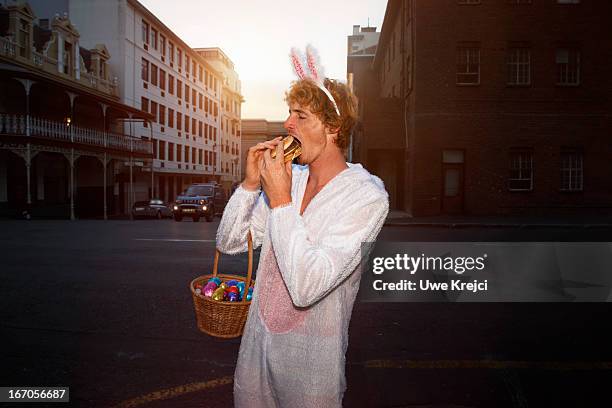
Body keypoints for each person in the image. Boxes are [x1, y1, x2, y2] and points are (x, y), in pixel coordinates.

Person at [216, 54, 389, 407]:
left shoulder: (367, 197)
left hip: (311, 372)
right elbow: (230, 242)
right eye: (289, 112)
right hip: (256, 357)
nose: (287, 123)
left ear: (333, 127)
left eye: (301, 116)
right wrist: (250, 185)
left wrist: (279, 201)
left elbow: (307, 286)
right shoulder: (290, 179)